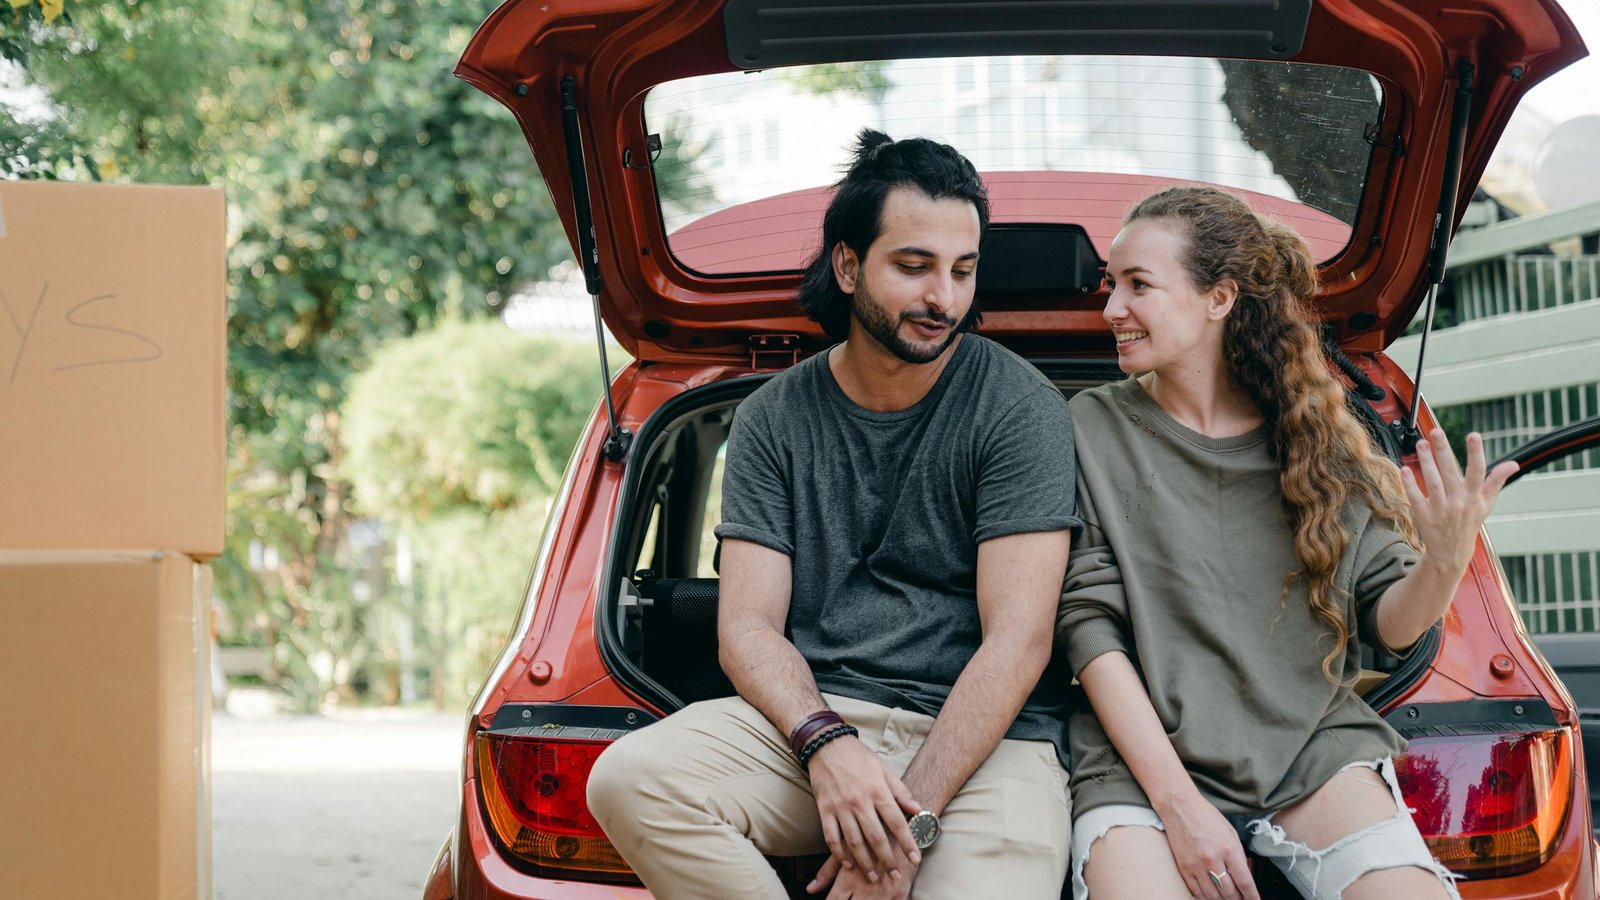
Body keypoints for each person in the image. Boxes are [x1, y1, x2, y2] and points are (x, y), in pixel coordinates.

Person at [587, 129, 1080, 900]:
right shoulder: (772, 418)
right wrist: (827, 745)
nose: (943, 298)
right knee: (630, 778)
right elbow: (747, 627)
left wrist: (902, 828)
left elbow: (1019, 642)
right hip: (815, 721)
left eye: (963, 270)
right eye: (914, 267)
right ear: (848, 265)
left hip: (990, 744)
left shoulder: (1020, 410)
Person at [1056, 185, 1514, 900]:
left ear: (1219, 299)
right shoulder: (1090, 426)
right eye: (1113, 285)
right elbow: (1089, 631)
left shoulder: (1317, 434)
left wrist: (1444, 562)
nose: (1111, 308)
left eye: (1137, 285)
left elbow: (1390, 623)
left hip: (1308, 748)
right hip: (1138, 763)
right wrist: (1179, 807)